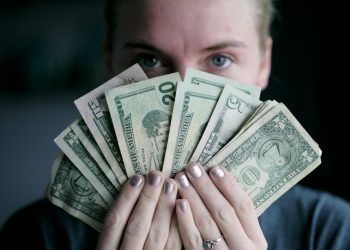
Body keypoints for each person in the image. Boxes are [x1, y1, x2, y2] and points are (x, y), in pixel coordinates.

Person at [1, 0, 350, 249]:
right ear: (109, 62)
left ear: (264, 63)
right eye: (148, 59)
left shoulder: (333, 230)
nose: (182, 90)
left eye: (219, 59)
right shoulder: (37, 236)